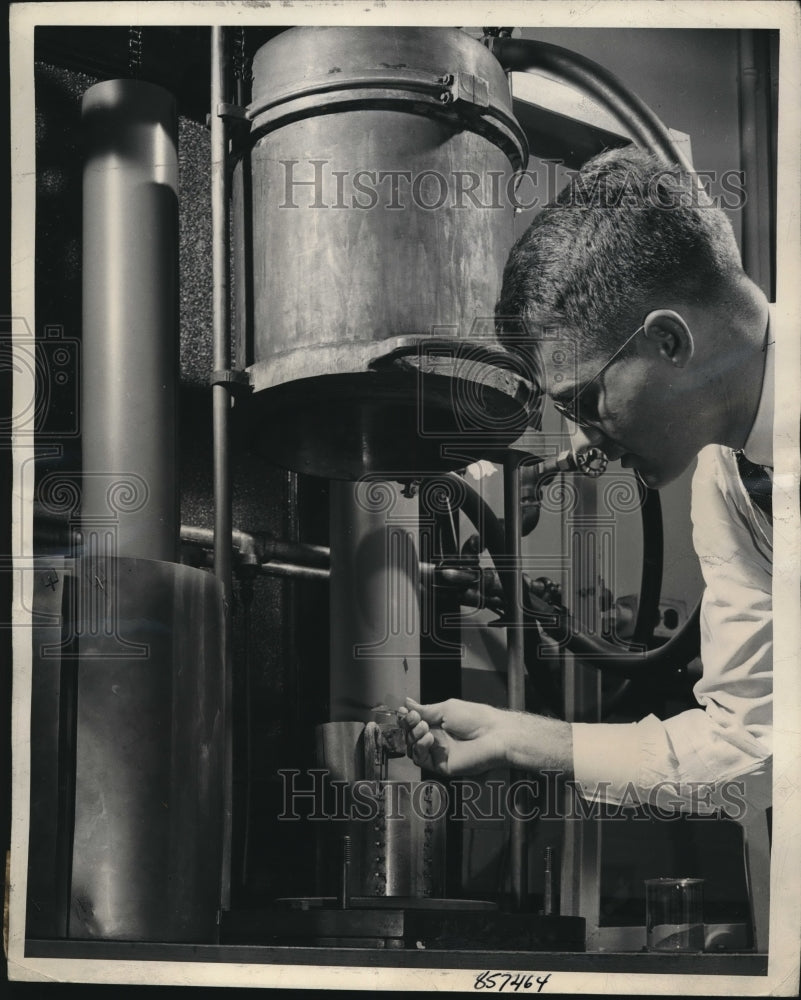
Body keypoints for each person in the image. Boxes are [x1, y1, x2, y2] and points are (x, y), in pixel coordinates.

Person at [399, 147, 773, 817]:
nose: (583, 437)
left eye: (583, 402)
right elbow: (748, 744)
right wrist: (517, 737)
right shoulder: (726, 481)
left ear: (668, 342)